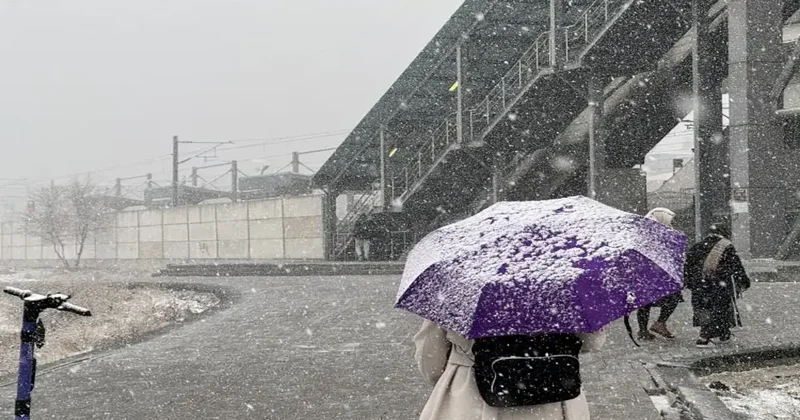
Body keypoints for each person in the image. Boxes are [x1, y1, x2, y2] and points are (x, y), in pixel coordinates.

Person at [413, 320, 606, 420]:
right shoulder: (563, 281)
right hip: (552, 394)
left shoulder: (458, 282)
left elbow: (431, 359)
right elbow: (592, 342)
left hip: (472, 396)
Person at [685, 223, 751, 348]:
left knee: (704, 309)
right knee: (720, 309)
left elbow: (687, 266)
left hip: (699, 285)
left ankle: (723, 334)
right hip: (719, 284)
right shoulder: (726, 247)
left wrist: (689, 282)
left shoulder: (698, 246)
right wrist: (743, 282)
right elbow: (736, 267)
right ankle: (704, 338)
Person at [637, 207, 683, 340]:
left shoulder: (647, 230)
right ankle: (658, 324)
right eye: (670, 220)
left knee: (645, 302)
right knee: (672, 297)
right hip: (655, 273)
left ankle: (644, 330)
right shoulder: (655, 232)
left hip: (648, 274)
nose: (672, 223)